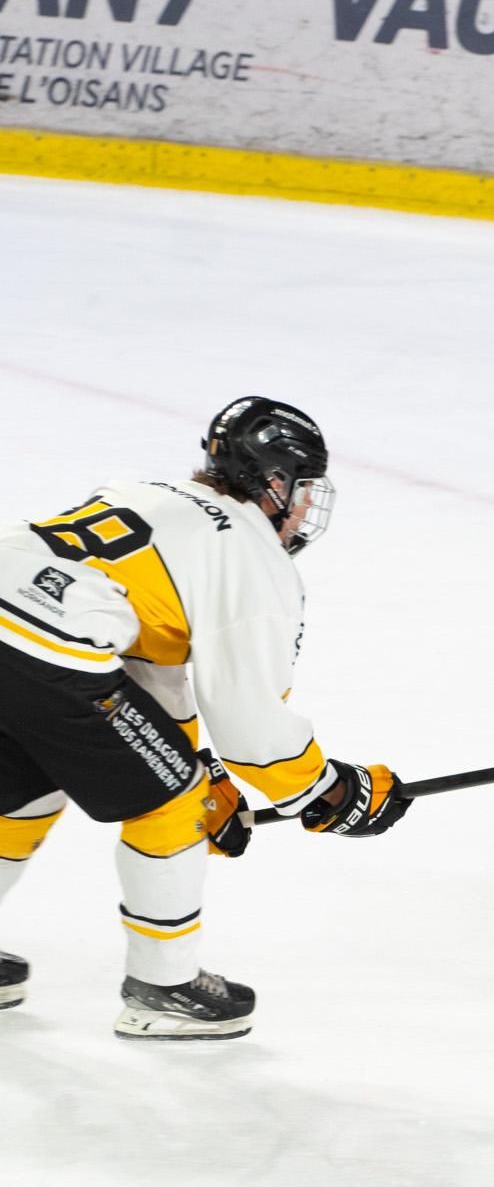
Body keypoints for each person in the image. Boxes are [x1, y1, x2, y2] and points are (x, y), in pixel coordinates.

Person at [0, 397, 409, 1040]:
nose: (304, 507)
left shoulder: (147, 494)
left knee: (26, 787)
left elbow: (142, 662)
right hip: (52, 653)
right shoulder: (251, 556)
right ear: (274, 482)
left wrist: (197, 762)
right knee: (174, 806)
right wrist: (329, 792)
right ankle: (162, 990)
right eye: (302, 489)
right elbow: (252, 727)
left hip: (23, 626)